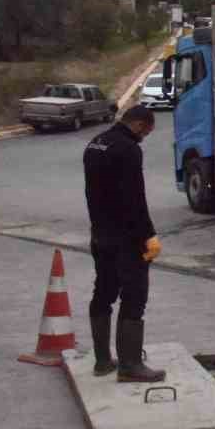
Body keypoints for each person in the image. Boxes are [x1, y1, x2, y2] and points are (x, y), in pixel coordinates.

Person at [83, 105, 164, 382]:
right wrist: (148, 234)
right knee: (134, 298)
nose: (144, 137)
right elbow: (134, 198)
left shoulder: (96, 143)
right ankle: (130, 366)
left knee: (103, 292)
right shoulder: (128, 149)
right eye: (146, 132)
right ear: (140, 125)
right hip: (127, 239)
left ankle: (103, 361)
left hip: (100, 235)